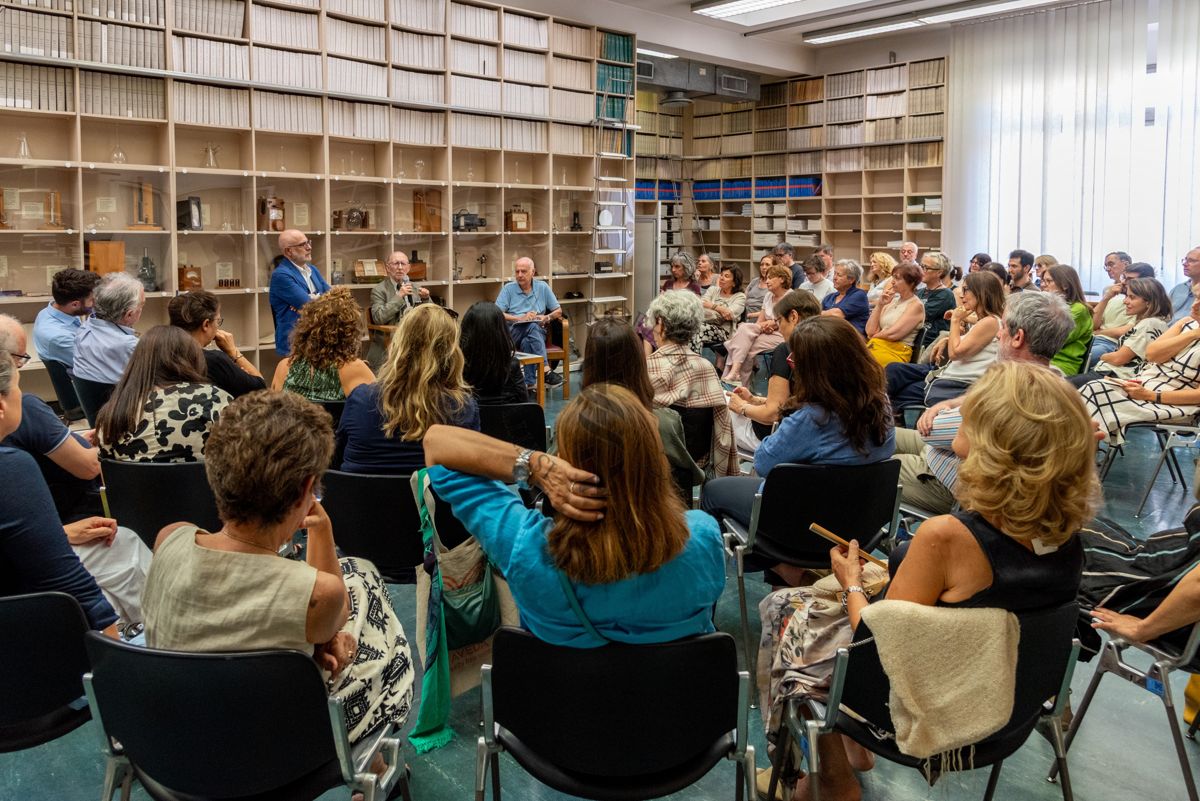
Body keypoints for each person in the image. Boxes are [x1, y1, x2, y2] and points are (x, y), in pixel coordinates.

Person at [774, 361, 1097, 801]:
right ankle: (849, 748)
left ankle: (831, 777)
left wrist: (850, 580)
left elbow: (877, 643)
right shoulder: (1068, 536)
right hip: (1008, 703)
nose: (956, 417)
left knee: (787, 611)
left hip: (915, 702)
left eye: (970, 411)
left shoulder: (946, 537)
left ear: (995, 440)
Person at [141, 390, 414, 746]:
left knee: (355, 581)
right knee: (369, 601)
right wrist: (325, 645)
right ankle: (374, 766)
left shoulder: (170, 538)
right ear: (306, 490)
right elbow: (330, 609)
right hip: (282, 748)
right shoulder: (316, 593)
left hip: (174, 736)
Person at [422, 383, 725, 646]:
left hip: (564, 709)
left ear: (565, 464)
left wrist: (535, 465)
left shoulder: (525, 549)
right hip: (669, 709)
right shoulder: (702, 540)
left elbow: (436, 442)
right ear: (654, 465)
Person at [0, 327, 151, 628]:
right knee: (126, 548)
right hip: (23, 606)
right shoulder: (12, 467)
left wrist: (59, 532)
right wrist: (115, 662)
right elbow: (69, 581)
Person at [703, 316, 896, 545]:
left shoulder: (812, 419)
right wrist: (758, 401)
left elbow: (763, 462)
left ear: (817, 368)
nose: (791, 361)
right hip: (860, 519)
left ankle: (779, 565)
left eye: (796, 359)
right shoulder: (880, 402)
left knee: (713, 491)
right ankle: (787, 569)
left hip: (805, 521)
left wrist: (759, 412)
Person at [896, 292, 1074, 513]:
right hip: (942, 455)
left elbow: (933, 434)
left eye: (1003, 328)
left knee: (876, 462)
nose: (998, 334)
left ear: (1017, 337)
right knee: (882, 435)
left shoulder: (1012, 393)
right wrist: (951, 404)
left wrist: (942, 411)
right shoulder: (1055, 379)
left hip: (946, 480)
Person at [338, 303, 479, 474]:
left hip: (358, 499)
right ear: (451, 353)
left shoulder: (361, 399)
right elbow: (469, 474)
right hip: (429, 500)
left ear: (398, 344)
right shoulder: (462, 408)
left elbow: (337, 460)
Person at [582, 318, 702, 498]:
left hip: (592, 521)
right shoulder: (665, 423)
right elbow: (688, 477)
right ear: (638, 361)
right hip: (652, 519)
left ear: (590, 365)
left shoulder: (571, 423)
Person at [0, 315, 102, 520]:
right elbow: (89, 467)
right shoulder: (27, 408)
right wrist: (111, 443)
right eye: (20, 357)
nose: (21, 365)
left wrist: (74, 442)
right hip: (66, 514)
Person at [96, 326, 231, 463]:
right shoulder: (215, 399)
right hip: (204, 484)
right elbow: (241, 459)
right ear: (192, 358)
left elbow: (107, 474)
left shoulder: (112, 413)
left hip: (136, 485)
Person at [1079, 298, 1200, 445]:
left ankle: (1076, 458)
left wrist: (1151, 395)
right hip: (1140, 387)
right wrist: (1193, 334)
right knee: (1084, 396)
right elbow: (1152, 355)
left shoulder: (1153, 323)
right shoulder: (1186, 323)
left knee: (1093, 392)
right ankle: (1077, 456)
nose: (1195, 305)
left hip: (1171, 404)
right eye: (1197, 297)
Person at [647, 291, 739, 477]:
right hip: (697, 463)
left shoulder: (644, 369)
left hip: (654, 464)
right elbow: (723, 432)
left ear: (661, 325)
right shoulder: (706, 368)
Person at [885, 270, 1005, 411]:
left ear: (981, 293)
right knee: (894, 370)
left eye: (966, 290)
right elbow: (973, 341)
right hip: (949, 373)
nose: (961, 295)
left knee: (899, 388)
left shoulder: (990, 322)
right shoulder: (985, 320)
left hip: (957, 382)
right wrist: (948, 338)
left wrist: (955, 320)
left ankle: (872, 413)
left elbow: (955, 353)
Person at [727, 291, 823, 453]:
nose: (778, 328)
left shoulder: (788, 350)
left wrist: (742, 407)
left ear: (793, 316)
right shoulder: (828, 345)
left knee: (720, 411)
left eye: (778, 321)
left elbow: (772, 414)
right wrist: (755, 400)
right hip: (818, 438)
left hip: (781, 439)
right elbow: (799, 400)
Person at [271, 287, 374, 402]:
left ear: (305, 329)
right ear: (349, 333)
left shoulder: (284, 367)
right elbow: (378, 409)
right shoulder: (355, 368)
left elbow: (275, 413)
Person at [1069, 277, 1171, 387]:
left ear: (1149, 302)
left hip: (1113, 377)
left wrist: (1104, 356)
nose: (1125, 301)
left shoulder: (1150, 324)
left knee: (1054, 387)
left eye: (1132, 297)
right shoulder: (1150, 322)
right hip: (1109, 374)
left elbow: (1119, 358)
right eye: (1126, 296)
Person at [168, 291, 265, 398]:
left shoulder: (160, 354)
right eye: (218, 321)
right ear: (206, 324)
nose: (218, 326)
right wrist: (233, 351)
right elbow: (260, 390)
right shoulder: (214, 361)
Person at [721, 259, 793, 386]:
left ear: (781, 279)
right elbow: (761, 321)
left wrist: (771, 325)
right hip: (765, 332)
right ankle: (738, 379)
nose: (767, 281)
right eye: (766, 278)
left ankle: (735, 377)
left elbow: (785, 324)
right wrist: (765, 325)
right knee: (745, 341)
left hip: (782, 336)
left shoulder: (790, 297)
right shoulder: (768, 296)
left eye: (770, 278)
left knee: (742, 341)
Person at [495, 257, 563, 390]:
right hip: (512, 334)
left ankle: (529, 383)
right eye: (517, 271)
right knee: (530, 326)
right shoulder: (508, 289)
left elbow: (558, 311)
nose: (519, 275)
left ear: (533, 272)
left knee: (529, 339)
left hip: (536, 334)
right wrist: (520, 319)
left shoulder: (542, 287)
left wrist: (546, 318)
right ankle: (546, 370)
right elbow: (497, 313)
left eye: (523, 271)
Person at [73, 272, 145, 385]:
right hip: (124, 401)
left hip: (94, 401)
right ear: (129, 315)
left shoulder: (83, 330)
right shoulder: (130, 345)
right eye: (142, 305)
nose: (142, 309)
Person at [269, 229, 330, 356]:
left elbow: (333, 298)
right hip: (295, 344)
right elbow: (308, 306)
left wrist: (313, 300)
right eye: (303, 244)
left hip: (318, 340)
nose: (309, 247)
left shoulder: (313, 269)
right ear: (288, 251)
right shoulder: (281, 275)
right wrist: (314, 300)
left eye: (308, 242)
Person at [367, 250, 430, 372]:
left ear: (408, 267)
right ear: (388, 268)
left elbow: (432, 316)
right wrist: (399, 296)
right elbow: (378, 317)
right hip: (390, 342)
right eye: (396, 264)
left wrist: (426, 299)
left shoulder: (416, 288)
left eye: (403, 264)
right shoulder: (379, 290)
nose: (400, 267)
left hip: (415, 340)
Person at [460, 301, 528, 406]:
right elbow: (524, 404)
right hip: (505, 420)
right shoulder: (511, 366)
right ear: (502, 332)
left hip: (467, 421)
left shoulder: (459, 365)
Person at [33, 267, 101, 369]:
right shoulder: (59, 337)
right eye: (92, 300)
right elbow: (98, 365)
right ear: (74, 304)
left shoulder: (51, 311)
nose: (96, 303)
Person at [865, 262, 925, 367]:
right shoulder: (892, 300)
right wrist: (880, 305)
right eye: (893, 277)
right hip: (879, 345)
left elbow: (893, 335)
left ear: (911, 283)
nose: (892, 282)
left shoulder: (916, 305)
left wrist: (874, 337)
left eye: (897, 278)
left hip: (896, 351)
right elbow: (870, 330)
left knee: (860, 362)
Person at [1040, 264, 1093, 375]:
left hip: (1062, 364)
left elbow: (1052, 341)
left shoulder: (1079, 310)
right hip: (1042, 360)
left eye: (1049, 281)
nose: (1043, 285)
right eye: (1043, 281)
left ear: (1064, 285)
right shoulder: (1049, 305)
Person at [1088, 252, 1138, 366]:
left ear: (1125, 264)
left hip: (1112, 343)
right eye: (1106, 265)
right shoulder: (1109, 291)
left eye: (1111, 264)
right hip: (1094, 338)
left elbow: (1127, 330)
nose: (1108, 269)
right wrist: (1106, 298)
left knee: (1083, 355)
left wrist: (1098, 332)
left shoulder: (1143, 299)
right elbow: (1093, 324)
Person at [698, 265, 747, 351]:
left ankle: (694, 361)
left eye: (726, 276)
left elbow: (729, 314)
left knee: (697, 330)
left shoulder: (740, 296)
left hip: (724, 331)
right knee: (686, 328)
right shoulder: (713, 290)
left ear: (734, 282)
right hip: (704, 324)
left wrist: (710, 306)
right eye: (721, 275)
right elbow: (700, 303)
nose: (721, 278)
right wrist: (720, 309)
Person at [916, 252, 956, 351]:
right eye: (921, 266)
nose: (921, 271)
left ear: (939, 272)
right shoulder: (920, 292)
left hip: (929, 345)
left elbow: (918, 315)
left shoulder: (945, 294)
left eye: (926, 268)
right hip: (915, 339)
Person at [820, 259, 870, 336]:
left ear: (851, 279)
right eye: (834, 274)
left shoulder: (859, 295)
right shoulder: (829, 297)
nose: (834, 278)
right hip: (828, 334)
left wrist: (816, 313)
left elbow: (836, 315)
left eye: (839, 275)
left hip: (850, 338)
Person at [1168, 246, 1200, 323]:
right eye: (1185, 260)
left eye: (1191, 261)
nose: (1185, 264)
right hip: (1168, 331)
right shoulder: (1178, 289)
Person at [745, 254, 773, 321]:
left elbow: (771, 311)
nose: (764, 267)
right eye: (762, 264)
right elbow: (744, 297)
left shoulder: (774, 285)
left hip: (761, 318)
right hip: (746, 315)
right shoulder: (755, 281)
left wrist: (751, 315)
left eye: (767, 265)